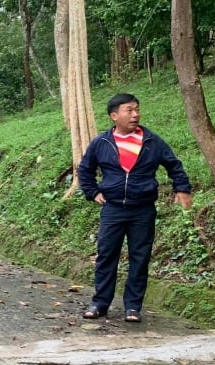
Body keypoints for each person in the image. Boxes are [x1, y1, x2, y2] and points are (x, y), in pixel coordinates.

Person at [78, 93, 193, 323]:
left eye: (137, 109)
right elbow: (85, 169)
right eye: (129, 110)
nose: (135, 114)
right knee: (106, 256)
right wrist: (93, 192)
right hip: (113, 209)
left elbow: (174, 165)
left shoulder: (152, 141)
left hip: (143, 209)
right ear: (114, 116)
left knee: (140, 257)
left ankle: (133, 306)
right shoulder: (101, 143)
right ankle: (100, 303)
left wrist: (182, 188)